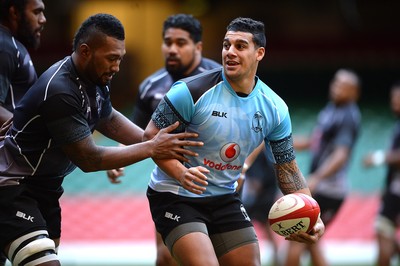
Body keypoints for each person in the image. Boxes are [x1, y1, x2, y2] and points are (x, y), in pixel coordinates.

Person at [0, 13, 204, 266]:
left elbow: (108, 119)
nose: (116, 67)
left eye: (120, 58)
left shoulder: (94, 78)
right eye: (111, 59)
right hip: (12, 186)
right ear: (85, 51)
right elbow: (89, 158)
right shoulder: (61, 91)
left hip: (46, 188)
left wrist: (152, 139)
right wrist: (152, 146)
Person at [143, 17, 325, 266]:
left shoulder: (275, 108)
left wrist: (314, 216)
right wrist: (181, 173)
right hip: (176, 195)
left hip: (225, 198)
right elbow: (150, 137)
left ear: (259, 53)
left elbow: (288, 169)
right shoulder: (189, 91)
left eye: (240, 46)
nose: (230, 52)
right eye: (226, 45)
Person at [107, 13, 221, 266]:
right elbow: (134, 130)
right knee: (165, 256)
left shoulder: (222, 80)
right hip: (170, 182)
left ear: (198, 47)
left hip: (217, 181)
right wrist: (119, 159)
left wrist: (244, 166)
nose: (172, 49)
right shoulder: (151, 86)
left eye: (181, 43)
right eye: (168, 42)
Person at [285, 68, 361, 266]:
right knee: (311, 242)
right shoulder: (330, 110)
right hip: (320, 187)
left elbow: (341, 154)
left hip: (329, 190)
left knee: (297, 241)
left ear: (354, 93)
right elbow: (315, 142)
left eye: (344, 86)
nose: (337, 88)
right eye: (336, 83)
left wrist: (317, 177)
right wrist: (283, 142)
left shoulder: (348, 115)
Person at [0, 0, 46, 265]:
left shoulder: (14, 47)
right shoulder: (5, 46)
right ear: (14, 12)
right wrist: (34, 129)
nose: (43, 19)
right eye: (37, 11)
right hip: (7, 183)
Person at [363, 81, 400, 266]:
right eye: (393, 98)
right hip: (394, 191)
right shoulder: (397, 126)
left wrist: (378, 158)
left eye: (398, 98)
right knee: (385, 231)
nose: (394, 102)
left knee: (383, 231)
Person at [239, 145, 281, 266]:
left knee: (244, 227)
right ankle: (277, 259)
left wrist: (247, 199)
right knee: (267, 228)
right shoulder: (267, 152)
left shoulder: (255, 152)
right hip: (267, 193)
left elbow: (255, 182)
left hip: (260, 196)